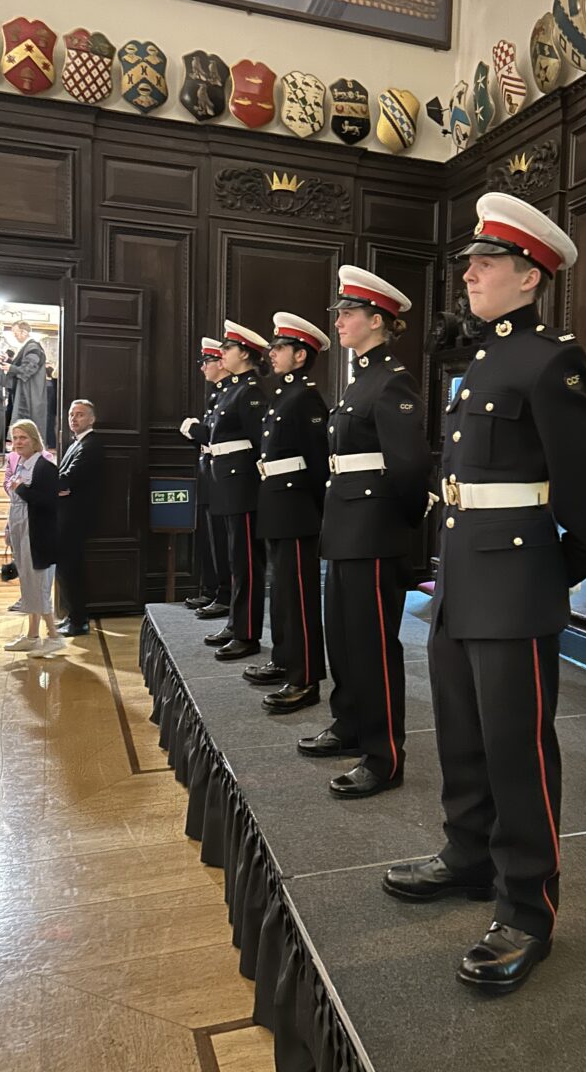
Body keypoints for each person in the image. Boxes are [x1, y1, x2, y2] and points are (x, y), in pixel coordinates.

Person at [383, 193, 586, 994]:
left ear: (529, 275)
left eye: (487, 263)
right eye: (470, 263)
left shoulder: (553, 360)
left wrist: (563, 568)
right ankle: (467, 853)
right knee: (460, 731)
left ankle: (527, 905)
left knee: (518, 750)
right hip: (462, 574)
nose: (471, 274)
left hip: (516, 580)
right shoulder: (484, 360)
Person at [298, 268, 431, 798]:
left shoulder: (393, 379)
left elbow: (410, 466)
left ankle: (383, 754)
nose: (340, 320)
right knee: (345, 638)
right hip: (347, 527)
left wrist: (397, 526)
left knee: (375, 646)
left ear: (378, 321)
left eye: (349, 313)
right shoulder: (359, 380)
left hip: (374, 531)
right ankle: (349, 723)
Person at [245, 312, 330, 713]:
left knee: (298, 596)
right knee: (280, 593)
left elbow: (318, 463)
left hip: (297, 505)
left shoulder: (306, 397)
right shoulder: (283, 394)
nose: (271, 353)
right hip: (277, 499)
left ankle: (305, 676)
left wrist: (316, 509)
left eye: (279, 348)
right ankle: (283, 659)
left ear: (300, 355)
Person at [199, 320, 269, 661]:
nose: (222, 353)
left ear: (244, 353)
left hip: (243, 484)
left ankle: (247, 633)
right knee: (234, 559)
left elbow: (261, 443)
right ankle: (235, 622)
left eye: (228, 348)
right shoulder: (231, 389)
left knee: (246, 563)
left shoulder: (252, 390)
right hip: (227, 482)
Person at [2, 419, 65, 659]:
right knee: (28, 582)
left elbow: (49, 502)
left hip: (37, 533)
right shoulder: (20, 464)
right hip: (21, 528)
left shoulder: (44, 467)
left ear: (34, 439)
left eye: (23, 438)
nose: (18, 442)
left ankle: (53, 636)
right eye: (15, 438)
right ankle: (32, 635)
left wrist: (21, 489)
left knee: (38, 584)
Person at [181, 339, 231, 619]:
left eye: (206, 362)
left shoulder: (233, 394)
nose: (203, 368)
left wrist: (198, 432)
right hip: (209, 471)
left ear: (221, 363)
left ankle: (222, 594)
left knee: (222, 541)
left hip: (223, 476)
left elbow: (219, 438)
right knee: (209, 538)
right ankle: (212, 589)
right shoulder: (217, 395)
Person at [56, 399, 105, 637]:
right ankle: (72, 616)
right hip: (67, 514)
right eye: (71, 415)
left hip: (76, 517)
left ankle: (78, 620)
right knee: (65, 568)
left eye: (80, 415)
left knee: (71, 568)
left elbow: (67, 480)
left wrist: (63, 486)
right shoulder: (76, 443)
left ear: (92, 419)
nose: (74, 419)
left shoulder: (91, 445)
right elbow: (62, 481)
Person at [0, 321, 47, 438]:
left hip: (30, 392)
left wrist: (11, 368)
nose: (15, 336)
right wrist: (11, 362)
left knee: (28, 426)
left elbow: (29, 368)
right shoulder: (29, 347)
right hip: (27, 390)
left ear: (24, 332)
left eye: (15, 333)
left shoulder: (33, 347)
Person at [45, 365, 58, 451]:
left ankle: (51, 444)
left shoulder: (47, 385)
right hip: (53, 406)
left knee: (50, 425)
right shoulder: (52, 384)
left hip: (49, 407)